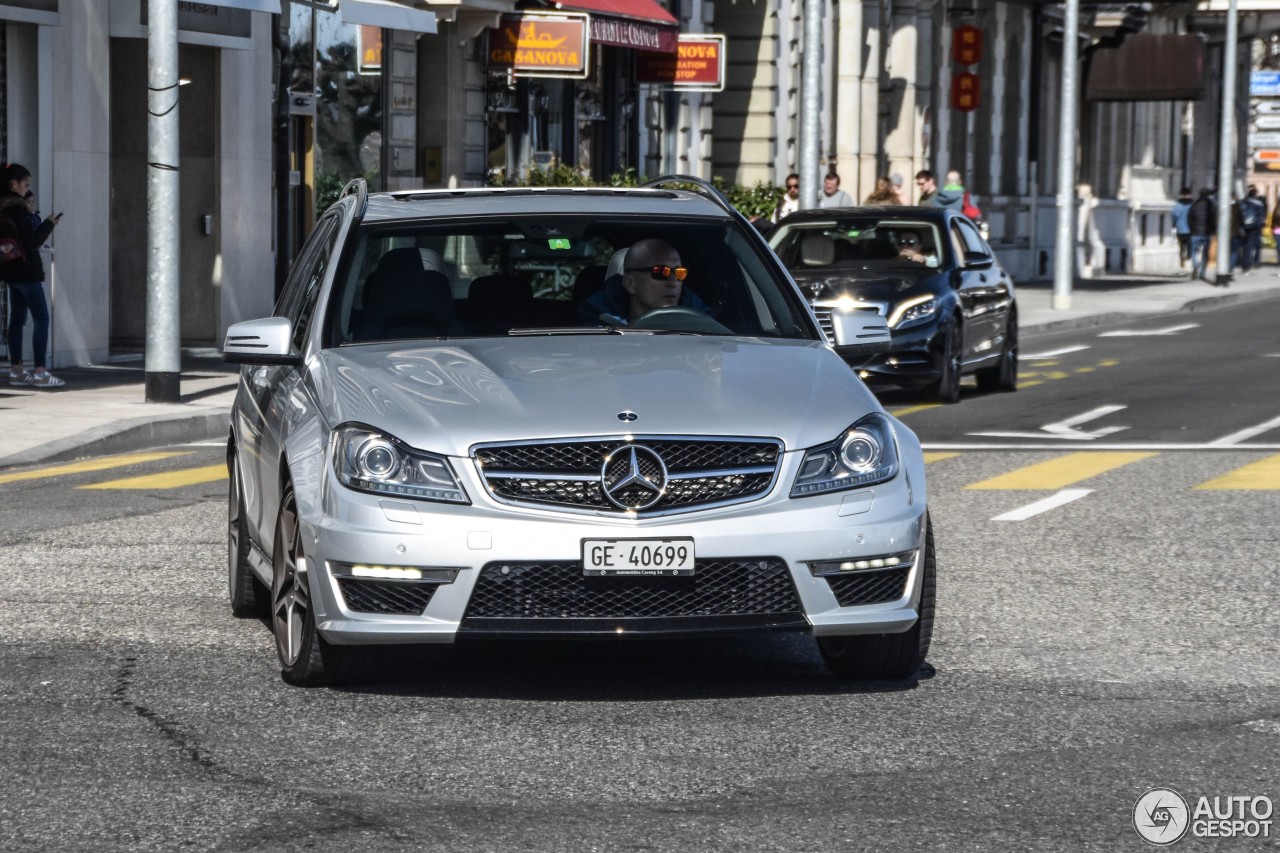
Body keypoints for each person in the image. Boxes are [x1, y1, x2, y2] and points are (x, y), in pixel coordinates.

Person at [1, 162, 64, 388]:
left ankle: (16, 370)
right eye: (25, 184)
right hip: (27, 272)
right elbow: (32, 242)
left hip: (10, 272)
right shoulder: (18, 211)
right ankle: (40, 371)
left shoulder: (4, 208)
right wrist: (48, 223)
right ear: (14, 184)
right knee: (41, 318)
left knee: (17, 320)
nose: (27, 189)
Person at [1187, 188, 1215, 281]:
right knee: (1205, 253)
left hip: (1195, 232)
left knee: (1194, 251)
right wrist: (1213, 230)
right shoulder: (1211, 205)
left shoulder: (1195, 204)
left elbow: (1190, 218)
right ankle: (1202, 272)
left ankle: (1195, 264)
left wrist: (1191, 229)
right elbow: (1214, 219)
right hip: (1207, 233)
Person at [1240, 185, 1267, 271]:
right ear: (1255, 194)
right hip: (1255, 227)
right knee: (1256, 245)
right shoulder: (1259, 204)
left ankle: (1245, 263)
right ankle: (1256, 260)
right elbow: (1262, 217)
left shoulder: (1243, 202)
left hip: (1244, 226)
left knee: (1245, 245)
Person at [1170, 187, 1193, 268]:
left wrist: (1174, 223)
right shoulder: (1192, 205)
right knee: (1190, 245)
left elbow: (1174, 216)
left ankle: (1182, 258)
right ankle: (1188, 257)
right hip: (1190, 229)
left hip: (1180, 229)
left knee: (1181, 246)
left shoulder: (1178, 205)